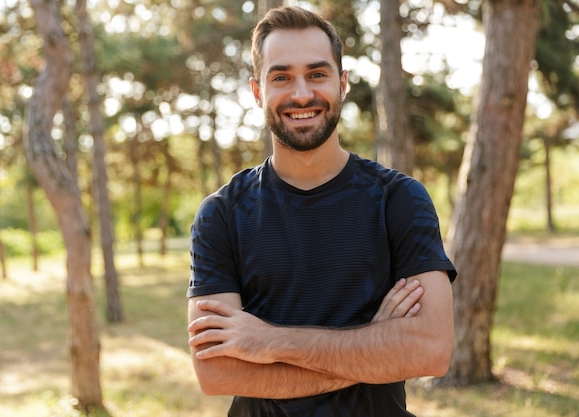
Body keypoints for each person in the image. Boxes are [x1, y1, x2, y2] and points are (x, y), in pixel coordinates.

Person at [187, 6, 456, 417]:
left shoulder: (399, 200)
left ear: (342, 83)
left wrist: (271, 342)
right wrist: (376, 346)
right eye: (281, 77)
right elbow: (218, 374)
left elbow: (431, 351)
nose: (301, 94)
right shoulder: (221, 215)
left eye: (317, 74)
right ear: (258, 91)